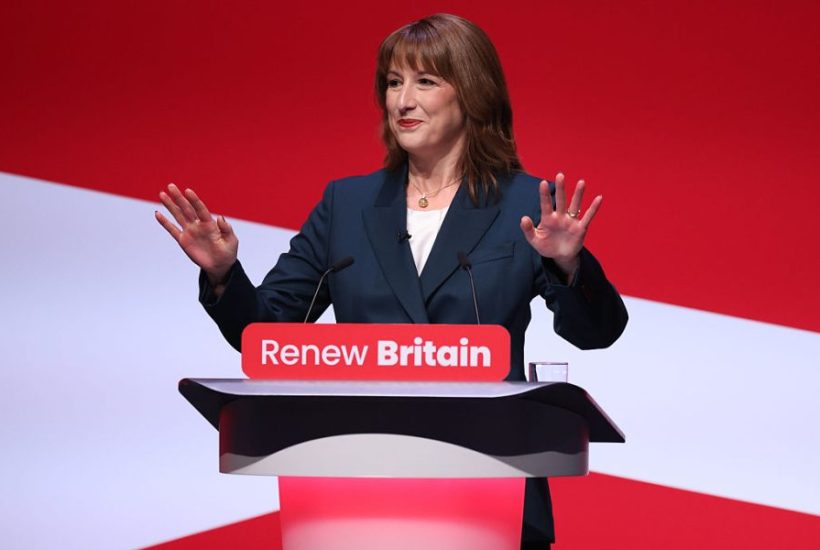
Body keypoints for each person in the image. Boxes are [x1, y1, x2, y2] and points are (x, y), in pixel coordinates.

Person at [156, 13, 627, 549]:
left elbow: (597, 332)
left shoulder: (523, 203)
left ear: (472, 92)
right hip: (358, 489)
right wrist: (222, 273)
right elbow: (265, 334)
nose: (403, 100)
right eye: (393, 82)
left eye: (425, 81)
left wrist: (568, 265)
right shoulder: (348, 204)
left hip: (489, 487)